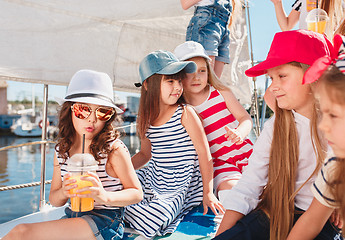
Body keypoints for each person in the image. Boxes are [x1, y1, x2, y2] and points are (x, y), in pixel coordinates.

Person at [214, 30, 342, 240]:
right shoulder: (275, 127)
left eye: (282, 76)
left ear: (314, 75)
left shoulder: (340, 132)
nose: (272, 87)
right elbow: (249, 186)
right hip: (276, 211)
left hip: (321, 220)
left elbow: (316, 217)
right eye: (271, 78)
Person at [3, 69, 143, 240]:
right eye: (83, 110)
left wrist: (103, 195)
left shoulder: (113, 149)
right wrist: (64, 191)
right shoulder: (61, 151)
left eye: (102, 112)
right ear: (70, 111)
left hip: (105, 221)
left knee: (21, 232)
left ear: (109, 116)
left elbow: (136, 193)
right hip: (73, 216)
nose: (92, 119)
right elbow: (55, 200)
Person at [124, 50, 224, 239]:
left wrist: (208, 193)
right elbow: (145, 155)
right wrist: (119, 170)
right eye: (170, 81)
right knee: (121, 193)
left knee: (157, 213)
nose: (177, 87)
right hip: (155, 175)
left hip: (181, 182)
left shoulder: (184, 113)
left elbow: (204, 154)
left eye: (179, 81)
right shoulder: (144, 118)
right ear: (147, 84)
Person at [287, 35, 345, 240]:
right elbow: (311, 221)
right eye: (324, 113)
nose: (323, 125)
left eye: (334, 115)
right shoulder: (337, 167)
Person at [174, 40, 253, 204]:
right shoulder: (182, 109)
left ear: (208, 71)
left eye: (202, 71)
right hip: (219, 164)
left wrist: (240, 132)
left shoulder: (221, 92)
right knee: (232, 193)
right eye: (190, 72)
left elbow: (245, 119)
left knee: (269, 186)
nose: (196, 77)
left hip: (247, 154)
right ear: (178, 75)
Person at [180, 0, 234, 78]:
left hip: (224, 26)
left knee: (214, 82)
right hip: (206, 22)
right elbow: (185, 4)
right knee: (204, 77)